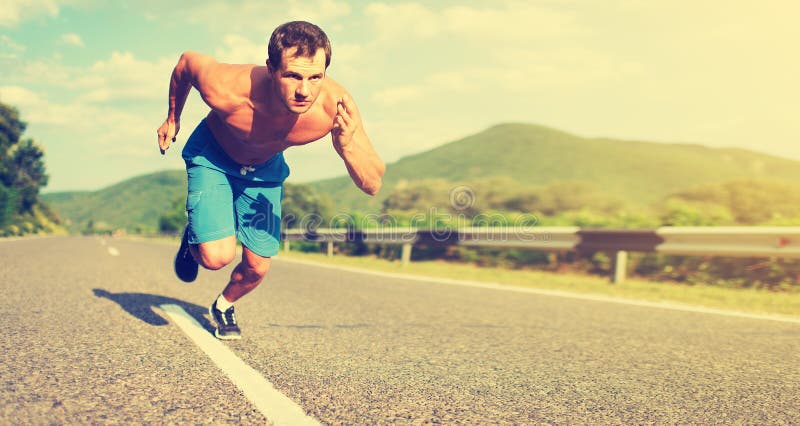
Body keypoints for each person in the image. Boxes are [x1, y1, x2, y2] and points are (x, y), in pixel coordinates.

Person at [156, 21, 385, 340]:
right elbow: (185, 64)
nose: (304, 90)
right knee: (216, 257)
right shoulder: (227, 87)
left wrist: (346, 147)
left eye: (315, 77)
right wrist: (172, 117)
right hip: (214, 156)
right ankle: (195, 237)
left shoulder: (336, 106)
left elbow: (372, 182)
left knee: (257, 268)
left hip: (264, 171)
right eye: (293, 75)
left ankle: (224, 305)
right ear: (271, 68)